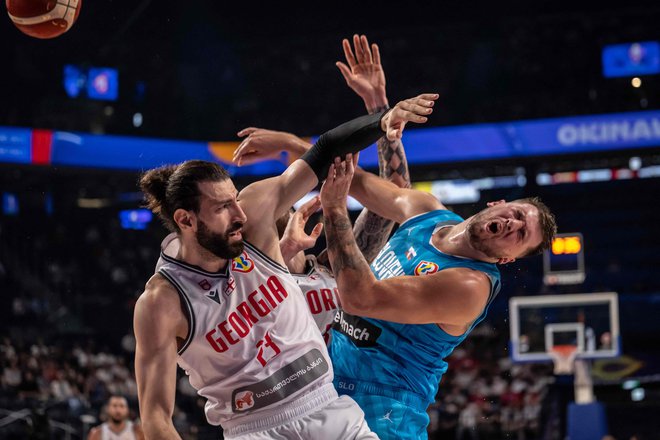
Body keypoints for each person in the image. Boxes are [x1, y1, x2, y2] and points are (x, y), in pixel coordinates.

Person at [134, 93, 436, 439]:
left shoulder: (255, 219)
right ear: (185, 220)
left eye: (235, 200)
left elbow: (323, 151)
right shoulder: (161, 302)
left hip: (326, 406)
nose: (239, 215)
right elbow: (156, 417)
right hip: (253, 428)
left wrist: (381, 121)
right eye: (222, 208)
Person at [316, 152, 557, 439]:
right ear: (498, 204)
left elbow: (359, 298)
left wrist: (333, 209)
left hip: (385, 406)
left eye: (521, 234)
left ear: (507, 259)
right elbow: (355, 178)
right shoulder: (427, 212)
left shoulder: (470, 286)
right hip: (328, 377)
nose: (513, 225)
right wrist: (293, 148)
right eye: (517, 215)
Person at [234, 35, 413, 344]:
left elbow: (395, 197)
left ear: (298, 218)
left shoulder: (332, 268)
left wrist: (379, 110)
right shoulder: (244, 288)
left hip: (343, 390)